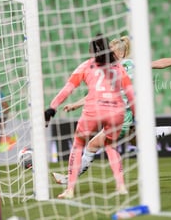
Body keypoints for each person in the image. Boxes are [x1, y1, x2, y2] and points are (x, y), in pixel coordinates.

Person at [52, 36, 171, 185]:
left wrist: (76, 104)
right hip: (126, 117)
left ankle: (67, 179)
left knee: (91, 146)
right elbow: (159, 64)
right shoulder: (132, 64)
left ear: (121, 53)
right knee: (138, 139)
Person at [44, 34, 135, 199]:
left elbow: (67, 89)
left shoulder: (86, 65)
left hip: (93, 110)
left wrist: (52, 107)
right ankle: (121, 186)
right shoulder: (118, 68)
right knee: (110, 146)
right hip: (116, 111)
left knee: (78, 145)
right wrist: (137, 116)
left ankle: (70, 190)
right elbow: (130, 94)